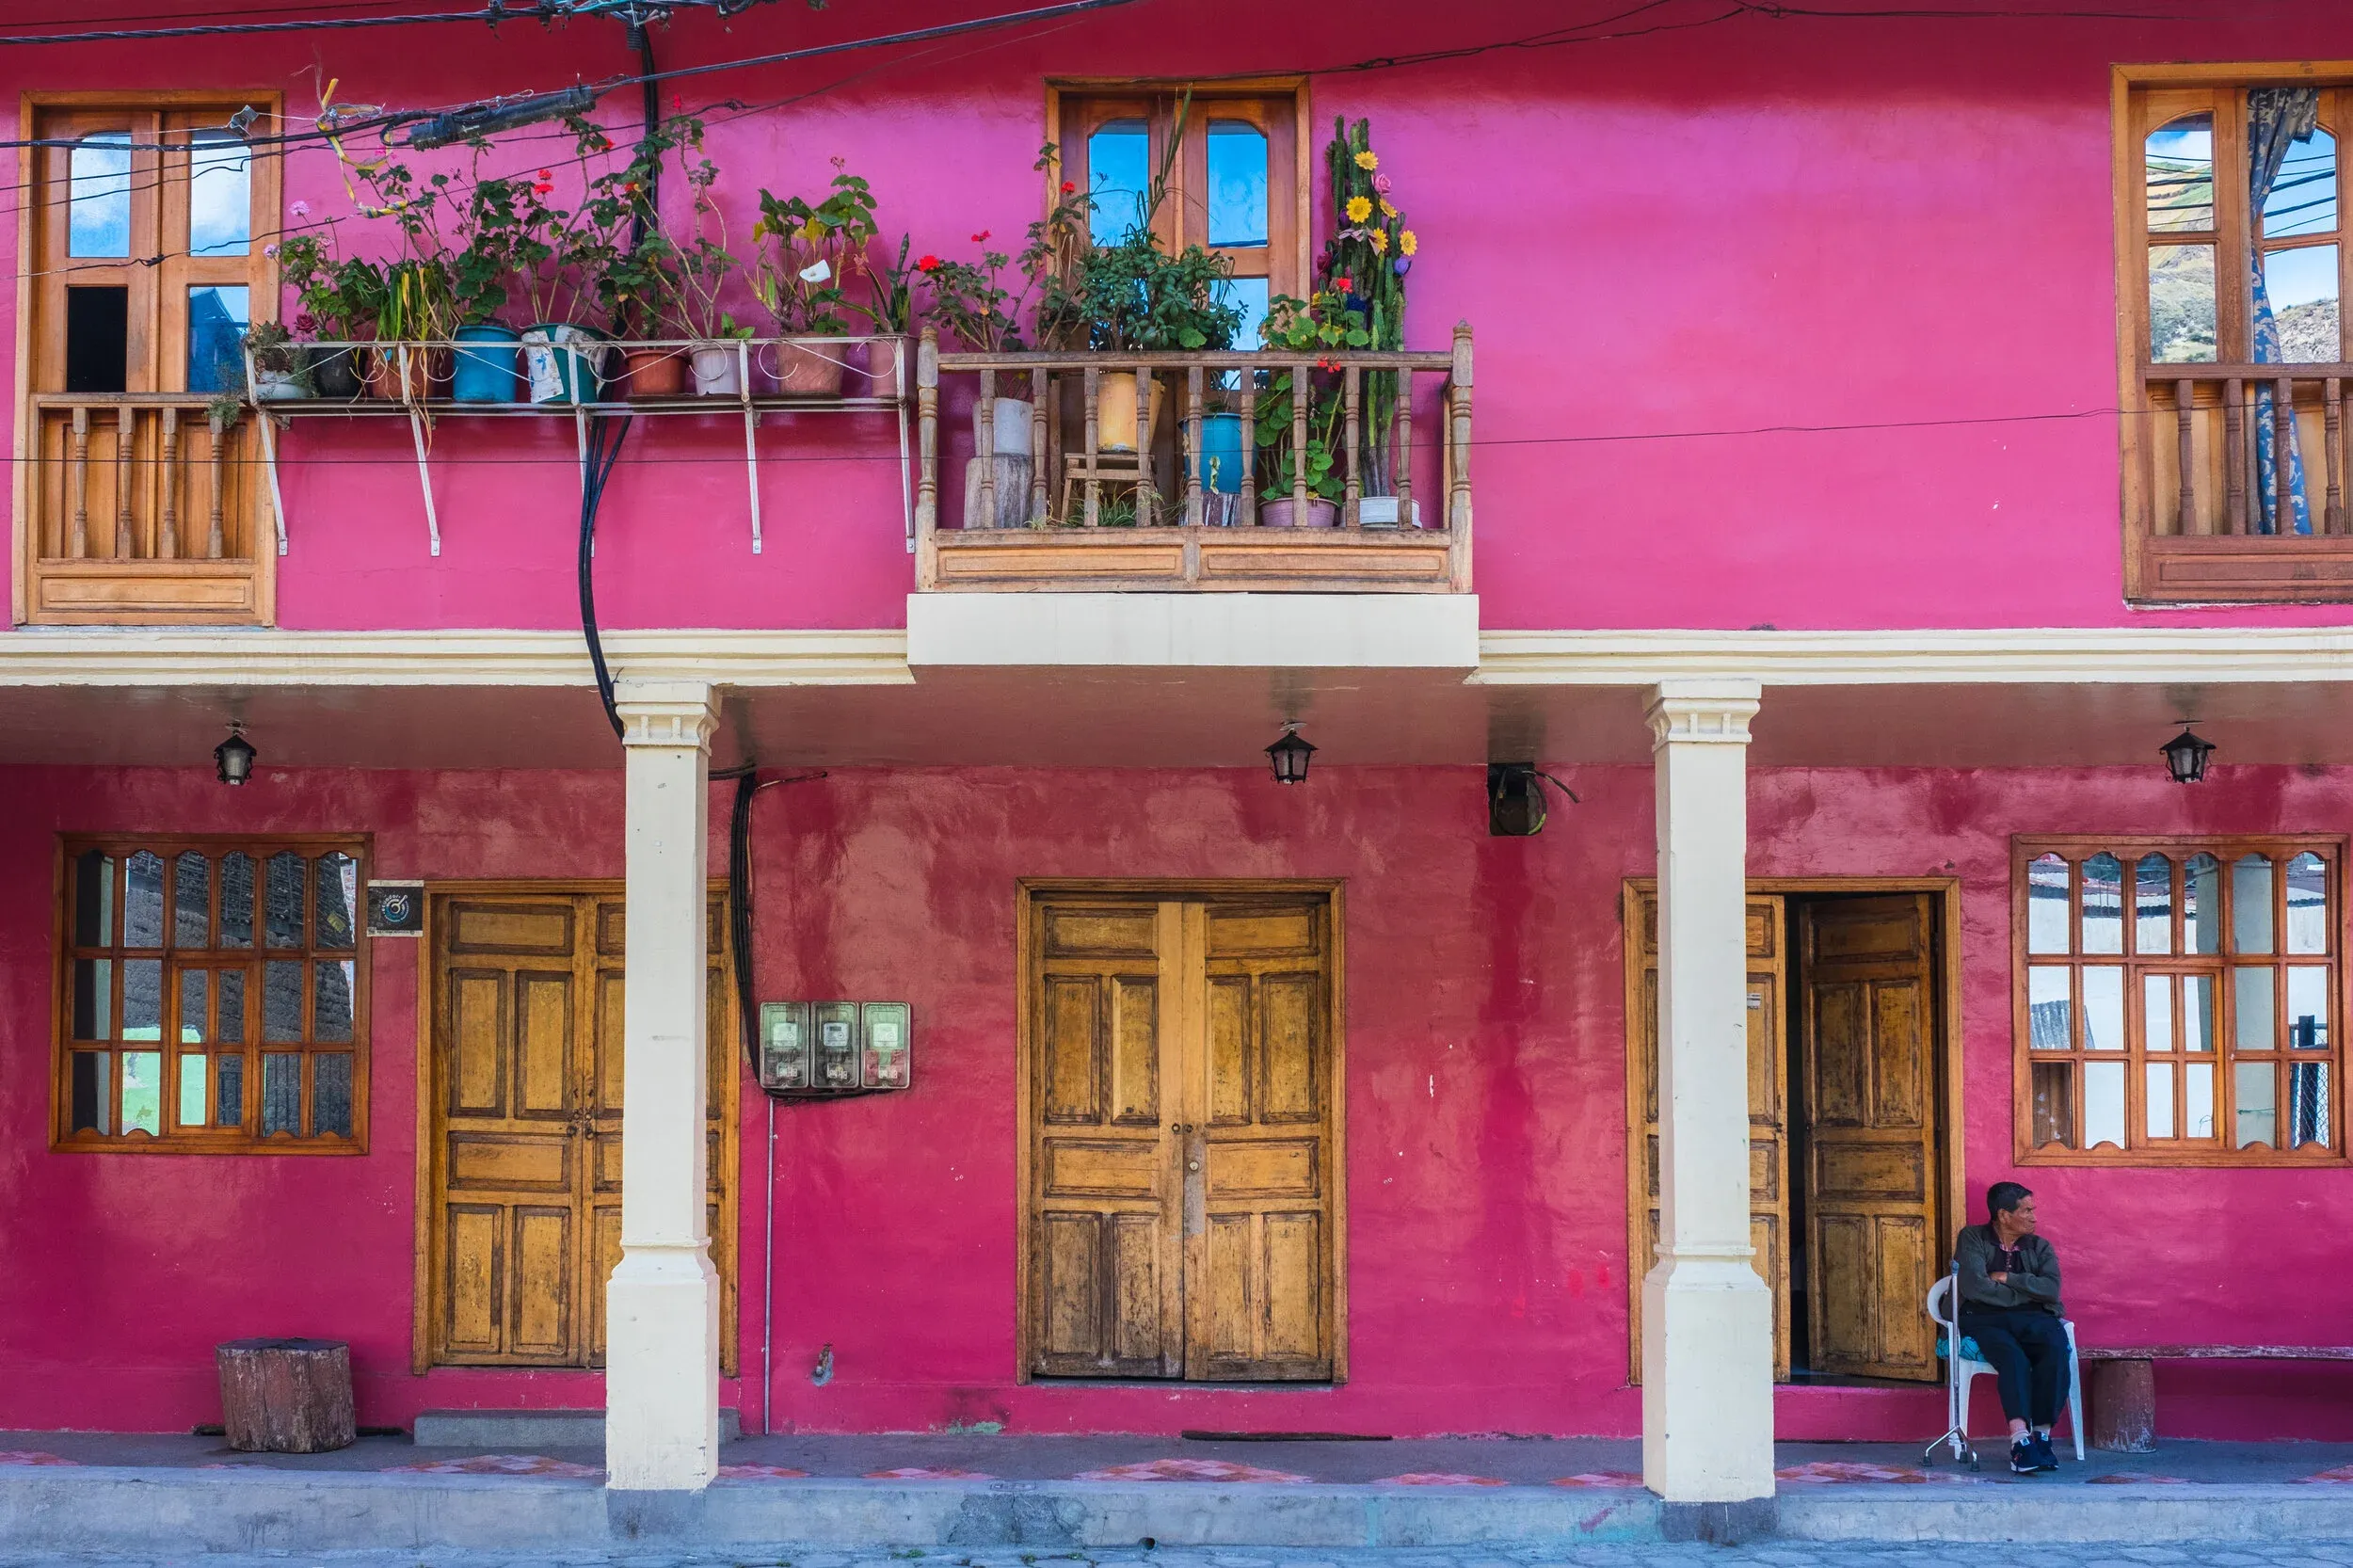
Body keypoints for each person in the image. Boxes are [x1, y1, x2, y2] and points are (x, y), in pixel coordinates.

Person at [1954, 1181, 2069, 1475]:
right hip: (1984, 1316)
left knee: (2055, 1349)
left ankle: (2041, 1437)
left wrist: (2009, 1278)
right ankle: (2020, 1441)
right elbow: (1975, 1286)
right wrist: (2028, 1293)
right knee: (2012, 1357)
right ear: (2004, 1215)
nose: (2033, 1217)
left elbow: (2051, 1290)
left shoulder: (2040, 1246)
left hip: (2032, 1317)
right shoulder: (1972, 1238)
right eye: (2026, 1211)